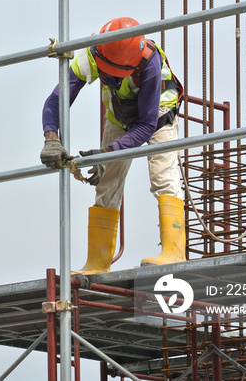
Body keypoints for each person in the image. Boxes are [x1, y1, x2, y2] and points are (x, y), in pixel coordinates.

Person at [40, 17, 185, 274]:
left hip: (159, 113)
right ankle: (97, 262)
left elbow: (146, 125)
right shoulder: (93, 53)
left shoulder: (149, 63)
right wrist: (51, 138)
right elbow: (57, 99)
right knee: (107, 182)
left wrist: (108, 153)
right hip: (120, 113)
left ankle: (174, 251)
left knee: (163, 174)